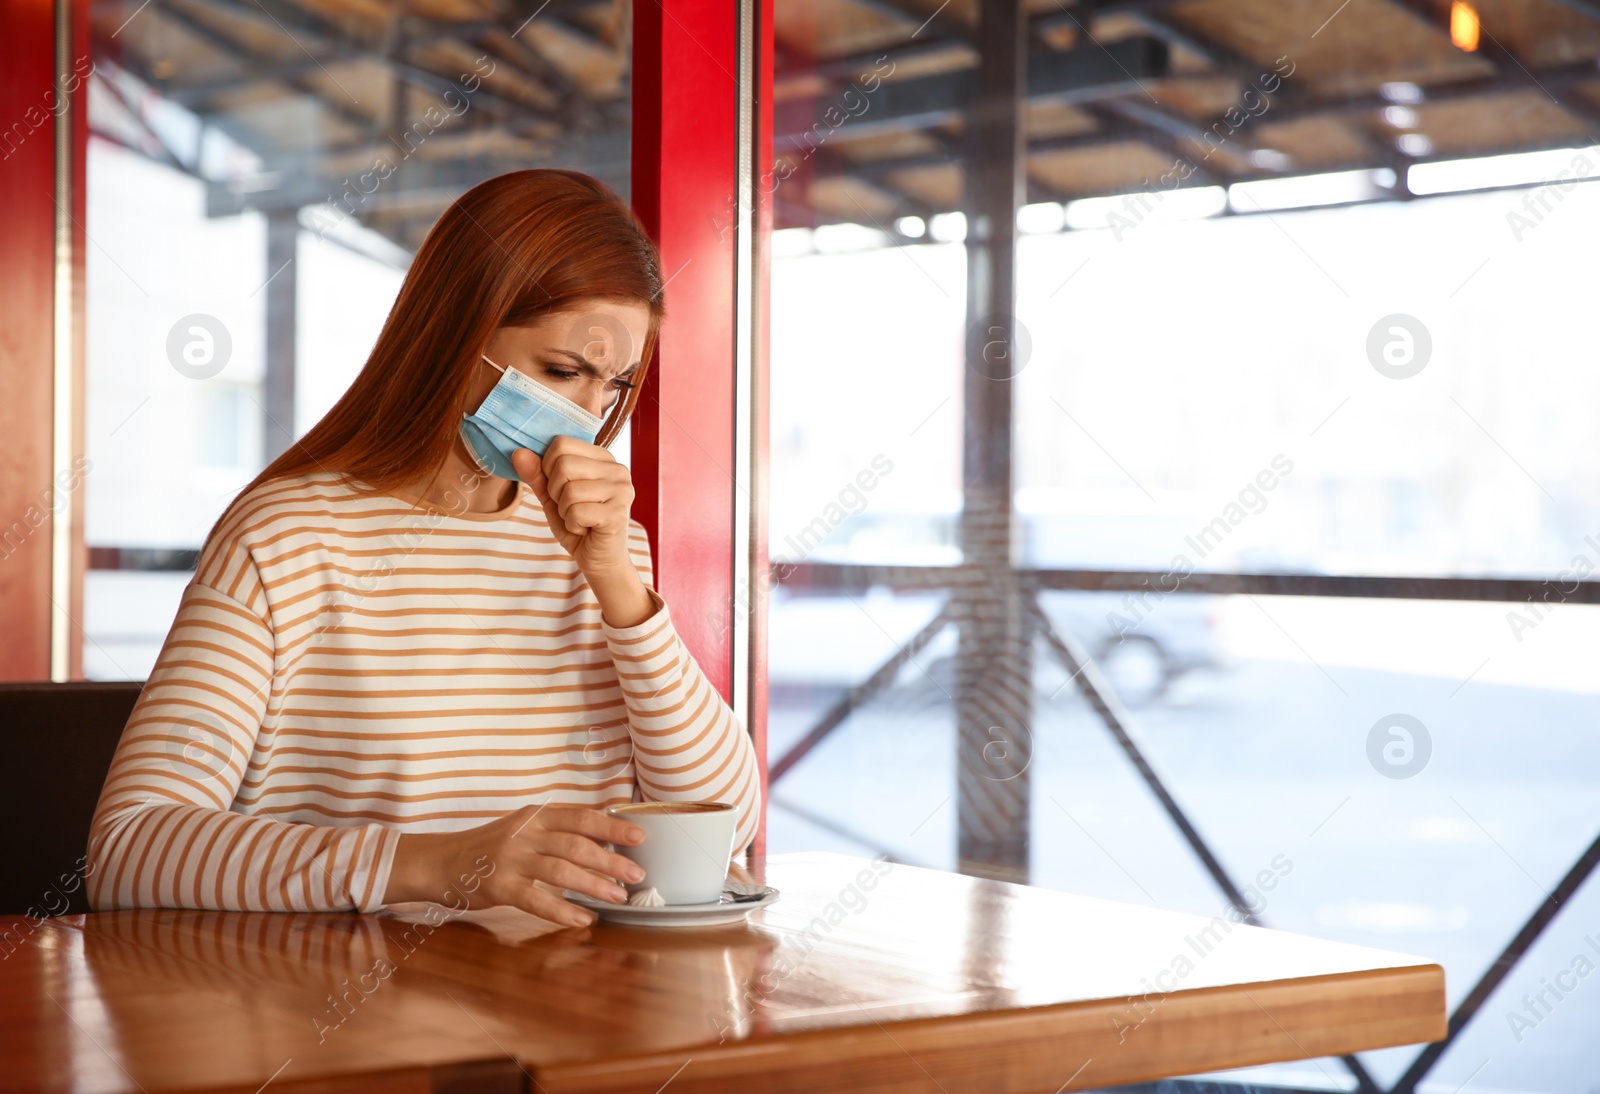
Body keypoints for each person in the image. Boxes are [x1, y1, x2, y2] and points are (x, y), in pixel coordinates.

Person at [86, 169, 761, 927]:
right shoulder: (283, 538)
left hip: (570, 1009)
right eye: (563, 372)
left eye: (612, 387)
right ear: (457, 335)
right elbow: (129, 848)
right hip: (345, 1024)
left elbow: (727, 834)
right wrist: (439, 864)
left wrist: (620, 589)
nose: (588, 417)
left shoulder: (602, 552)